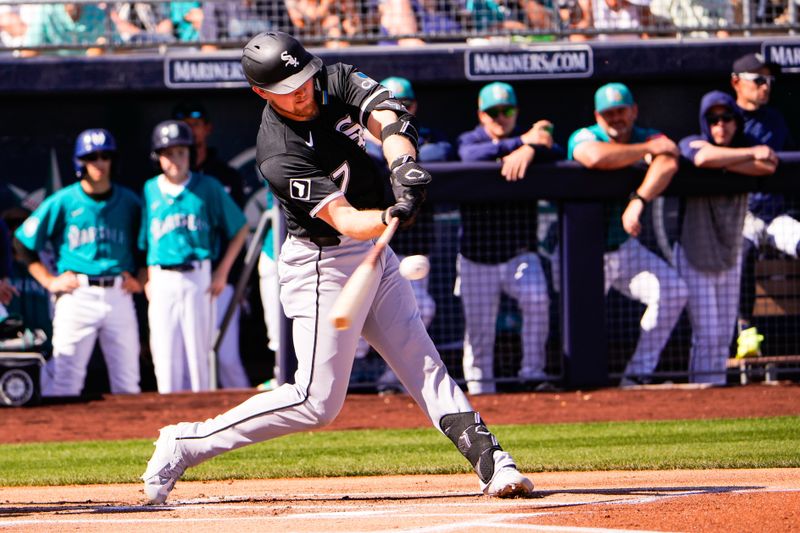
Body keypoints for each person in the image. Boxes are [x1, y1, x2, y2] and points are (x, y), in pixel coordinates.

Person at [142, 31, 533, 504]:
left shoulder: (333, 77)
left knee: (422, 362)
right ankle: (184, 443)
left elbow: (388, 116)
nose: (303, 91)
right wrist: (389, 216)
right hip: (321, 263)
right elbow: (345, 219)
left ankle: (493, 461)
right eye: (289, 88)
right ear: (261, 92)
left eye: (305, 79)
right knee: (316, 402)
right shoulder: (277, 152)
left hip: (373, 256)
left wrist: (402, 166)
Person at [568, 82, 688, 386]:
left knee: (673, 290)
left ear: (633, 111)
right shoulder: (585, 135)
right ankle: (565, 384)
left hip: (622, 247)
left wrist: (638, 200)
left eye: (621, 111)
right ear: (598, 116)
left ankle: (637, 374)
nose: (616, 118)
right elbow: (593, 157)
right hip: (580, 251)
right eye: (608, 113)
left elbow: (669, 156)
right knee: (577, 322)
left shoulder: (645, 135)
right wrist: (646, 151)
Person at [13, 129, 143, 397]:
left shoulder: (129, 201)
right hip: (77, 295)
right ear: (79, 162)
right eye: (92, 157)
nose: (99, 163)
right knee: (66, 382)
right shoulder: (64, 200)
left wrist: (141, 279)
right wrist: (49, 281)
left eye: (105, 156)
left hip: (118, 293)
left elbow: (147, 244)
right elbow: (22, 242)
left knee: (128, 384)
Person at [456, 81, 562, 395]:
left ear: (515, 112)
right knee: (479, 331)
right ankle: (480, 387)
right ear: (481, 115)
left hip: (519, 252)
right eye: (493, 112)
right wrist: (521, 142)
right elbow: (467, 156)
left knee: (537, 299)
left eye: (507, 111)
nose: (500, 117)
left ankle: (532, 373)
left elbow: (556, 150)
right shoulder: (471, 139)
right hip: (476, 257)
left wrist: (530, 148)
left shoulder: (529, 141)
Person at [139, 120, 248, 394]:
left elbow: (240, 228)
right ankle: (169, 415)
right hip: (162, 276)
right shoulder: (150, 189)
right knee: (164, 356)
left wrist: (222, 271)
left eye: (180, 152)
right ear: (158, 157)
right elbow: (146, 241)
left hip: (198, 275)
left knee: (198, 358)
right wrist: (148, 277)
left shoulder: (208, 186)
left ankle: (200, 416)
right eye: (168, 153)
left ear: (190, 153)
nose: (175, 159)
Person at [678, 91, 778, 385]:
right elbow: (702, 157)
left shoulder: (745, 146)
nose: (720, 125)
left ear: (736, 121)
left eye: (726, 118)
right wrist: (749, 155)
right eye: (713, 120)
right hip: (695, 253)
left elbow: (769, 165)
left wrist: (728, 161)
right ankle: (701, 390)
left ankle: (716, 393)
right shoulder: (692, 142)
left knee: (722, 336)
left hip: (729, 253)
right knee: (706, 335)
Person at [172, 101, 251, 389]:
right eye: (184, 126)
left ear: (207, 129)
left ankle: (248, 413)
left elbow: (238, 230)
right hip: (181, 278)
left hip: (219, 278)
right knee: (184, 362)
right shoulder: (161, 181)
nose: (190, 131)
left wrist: (231, 278)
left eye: (195, 124)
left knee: (226, 358)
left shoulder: (224, 176)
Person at [731, 53, 799, 335]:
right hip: (741, 216)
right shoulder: (726, 119)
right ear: (736, 82)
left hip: (775, 215)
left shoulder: (775, 120)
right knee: (743, 253)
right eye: (758, 80)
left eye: (769, 80)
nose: (765, 86)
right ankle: (746, 331)